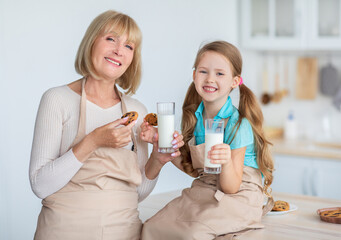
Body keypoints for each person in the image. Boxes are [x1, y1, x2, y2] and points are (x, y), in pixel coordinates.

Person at [29, 10, 183, 240]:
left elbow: (136, 193)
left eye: (129, 46)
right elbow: (40, 185)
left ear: (132, 59)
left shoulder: (136, 112)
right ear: (91, 42)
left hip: (124, 233)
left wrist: (157, 160)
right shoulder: (57, 100)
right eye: (111, 38)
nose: (119, 50)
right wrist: (92, 141)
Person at [140, 41, 275, 239]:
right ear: (194, 75)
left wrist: (226, 160)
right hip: (206, 189)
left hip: (239, 196)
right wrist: (159, 141)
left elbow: (231, 187)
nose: (210, 79)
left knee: (192, 233)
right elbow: (194, 170)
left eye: (220, 74)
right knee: (152, 227)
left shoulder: (238, 125)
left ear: (235, 81)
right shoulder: (198, 118)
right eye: (204, 71)